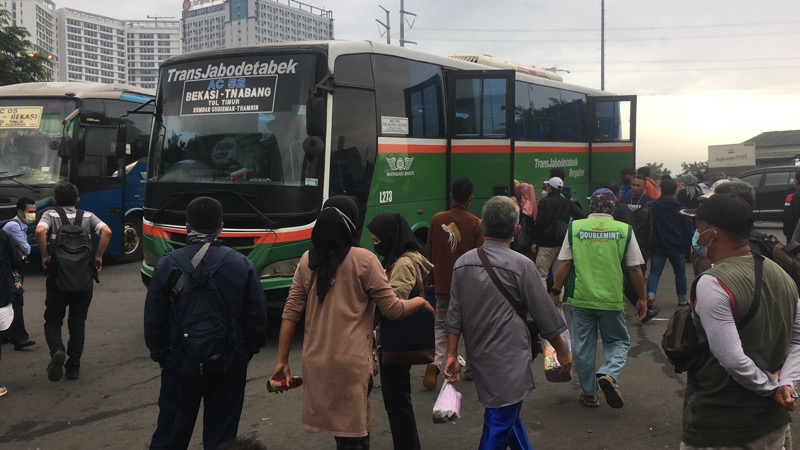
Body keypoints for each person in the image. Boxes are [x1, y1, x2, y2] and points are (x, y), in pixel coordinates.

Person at [270, 196, 434, 450]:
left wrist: (281, 360)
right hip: (351, 363)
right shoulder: (365, 260)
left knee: (343, 434)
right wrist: (420, 303)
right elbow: (392, 309)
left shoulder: (306, 260)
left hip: (315, 361)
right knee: (355, 435)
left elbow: (291, 312)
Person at [443, 196, 572, 450]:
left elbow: (453, 315)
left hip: (478, 352)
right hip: (511, 354)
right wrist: (563, 351)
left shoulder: (463, 263)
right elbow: (545, 314)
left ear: (481, 225)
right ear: (517, 230)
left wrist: (450, 354)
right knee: (500, 419)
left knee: (506, 413)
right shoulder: (522, 265)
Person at [144, 196, 268, 450]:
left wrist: (163, 356)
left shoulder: (168, 264)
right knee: (222, 438)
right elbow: (257, 317)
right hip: (228, 363)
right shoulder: (240, 263)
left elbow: (154, 318)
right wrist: (244, 353)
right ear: (220, 226)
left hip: (179, 363)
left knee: (170, 435)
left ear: (187, 226)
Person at [682, 193, 800, 448]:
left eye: (698, 229)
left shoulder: (713, 283)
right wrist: (787, 383)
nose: (696, 235)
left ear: (712, 234)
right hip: (772, 424)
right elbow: (797, 339)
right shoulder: (781, 273)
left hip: (722, 426)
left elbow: (732, 359)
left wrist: (773, 386)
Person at [550, 188, 647, 408]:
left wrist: (555, 291)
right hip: (611, 299)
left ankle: (590, 394)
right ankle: (609, 373)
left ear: (591, 206)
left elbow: (565, 264)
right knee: (619, 341)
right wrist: (642, 298)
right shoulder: (624, 230)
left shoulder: (576, 227)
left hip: (581, 297)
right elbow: (634, 269)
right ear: (613, 206)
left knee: (583, 347)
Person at [366, 212, 433, 450]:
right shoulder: (404, 257)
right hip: (399, 338)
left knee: (397, 404)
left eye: (377, 240)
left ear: (390, 237)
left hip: (396, 341)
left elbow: (393, 303)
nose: (376, 244)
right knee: (397, 402)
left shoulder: (404, 263)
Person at [35, 182, 111, 382]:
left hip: (58, 278)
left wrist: (44, 256)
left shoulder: (49, 215)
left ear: (54, 200)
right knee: (77, 324)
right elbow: (107, 231)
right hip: (83, 279)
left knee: (52, 320)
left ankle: (57, 351)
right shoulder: (87, 216)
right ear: (77, 200)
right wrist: (98, 256)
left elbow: (39, 232)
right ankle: (73, 367)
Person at [424, 179, 484, 390]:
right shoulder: (476, 223)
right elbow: (480, 257)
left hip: (442, 281)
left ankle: (435, 363)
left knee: (441, 324)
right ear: (471, 198)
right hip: (467, 285)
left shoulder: (436, 219)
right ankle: (471, 369)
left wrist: (430, 279)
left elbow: (429, 253)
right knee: (469, 326)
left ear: (451, 195)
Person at [646, 179, 694, 309]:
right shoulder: (681, 208)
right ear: (676, 190)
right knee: (680, 272)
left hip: (658, 245)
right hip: (676, 245)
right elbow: (688, 228)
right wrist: (690, 245)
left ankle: (650, 295)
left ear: (660, 189)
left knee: (655, 272)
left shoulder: (653, 206)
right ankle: (682, 299)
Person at [532, 176, 586, 290]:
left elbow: (539, 223)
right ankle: (558, 305)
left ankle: (543, 304)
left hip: (546, 244)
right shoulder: (567, 202)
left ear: (550, 188)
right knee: (559, 276)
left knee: (541, 274)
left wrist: (534, 242)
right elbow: (581, 215)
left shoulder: (544, 202)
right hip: (562, 243)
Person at [1, 197, 36, 350]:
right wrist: (22, 250)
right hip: (11, 269)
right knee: (15, 298)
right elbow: (26, 249)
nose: (33, 214)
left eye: (34, 211)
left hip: (12, 267)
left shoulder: (22, 226)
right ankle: (19, 337)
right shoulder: (13, 227)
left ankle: (8, 334)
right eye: (30, 212)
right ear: (20, 212)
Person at [783, 172, 800, 243]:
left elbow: (787, 219)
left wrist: (788, 236)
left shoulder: (791, 198)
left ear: (796, 183)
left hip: (795, 238)